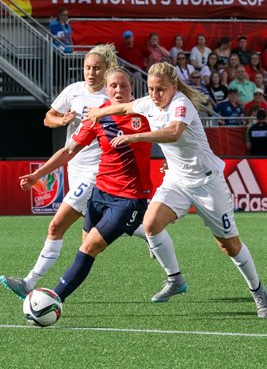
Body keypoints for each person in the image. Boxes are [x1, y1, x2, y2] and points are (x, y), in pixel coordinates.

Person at [87, 62, 267, 318]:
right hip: (176, 181)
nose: (155, 95)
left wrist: (133, 137)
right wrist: (98, 112)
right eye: (150, 89)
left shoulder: (181, 104)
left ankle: (259, 291)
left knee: (229, 245)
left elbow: (173, 132)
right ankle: (175, 279)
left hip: (206, 183)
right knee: (150, 224)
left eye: (161, 89)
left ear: (174, 87)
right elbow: (126, 107)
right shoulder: (149, 103)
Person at [18, 68, 188, 306]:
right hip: (99, 194)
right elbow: (69, 151)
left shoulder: (147, 111)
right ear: (106, 90)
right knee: (86, 245)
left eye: (124, 85)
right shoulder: (97, 117)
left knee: (89, 247)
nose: (119, 90)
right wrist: (38, 174)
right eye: (114, 86)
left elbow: (175, 138)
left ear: (132, 88)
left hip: (129, 198)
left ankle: (51, 301)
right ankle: (151, 235)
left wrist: (172, 167)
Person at [0, 46, 151, 300]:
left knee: (57, 226)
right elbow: (49, 117)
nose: (92, 73)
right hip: (75, 168)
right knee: (89, 234)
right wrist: (60, 121)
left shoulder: (112, 98)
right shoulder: (74, 91)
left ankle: (30, 282)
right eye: (88, 68)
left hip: (96, 174)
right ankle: (146, 228)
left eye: (97, 68)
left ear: (107, 71)